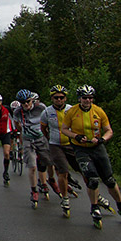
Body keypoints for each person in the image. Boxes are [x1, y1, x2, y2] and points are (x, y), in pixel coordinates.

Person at [60, 85, 121, 228]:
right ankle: (95, 208)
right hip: (80, 148)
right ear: (79, 98)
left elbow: (108, 130)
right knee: (92, 179)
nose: (87, 100)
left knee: (109, 180)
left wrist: (102, 139)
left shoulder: (98, 111)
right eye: (84, 98)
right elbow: (64, 129)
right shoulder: (72, 112)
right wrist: (76, 136)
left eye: (90, 98)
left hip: (97, 147)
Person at [11, 89, 52, 209]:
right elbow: (17, 125)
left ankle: (46, 182)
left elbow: (48, 121)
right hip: (28, 139)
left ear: (32, 100)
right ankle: (34, 191)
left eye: (28, 101)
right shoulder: (18, 112)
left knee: (47, 162)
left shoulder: (41, 107)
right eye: (23, 103)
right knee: (32, 166)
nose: (26, 105)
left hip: (41, 137)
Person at [41, 85, 76, 216]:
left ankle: (95, 192)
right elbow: (43, 127)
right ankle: (65, 198)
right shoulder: (47, 112)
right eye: (56, 98)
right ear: (52, 98)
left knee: (83, 169)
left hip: (71, 143)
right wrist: (49, 138)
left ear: (65, 98)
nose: (59, 100)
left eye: (61, 97)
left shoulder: (71, 109)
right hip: (55, 144)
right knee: (63, 171)